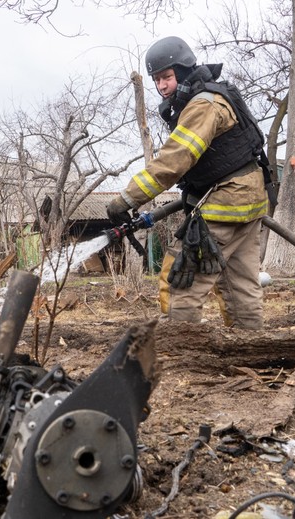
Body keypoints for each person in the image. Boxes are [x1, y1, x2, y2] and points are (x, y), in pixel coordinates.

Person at [106, 36, 268, 329]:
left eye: (167, 77)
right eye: (157, 80)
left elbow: (173, 161)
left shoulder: (202, 105)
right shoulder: (214, 96)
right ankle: (253, 346)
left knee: (181, 278)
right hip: (248, 200)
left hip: (225, 204)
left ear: (183, 71)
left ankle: (184, 350)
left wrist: (126, 200)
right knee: (239, 284)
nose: (162, 86)